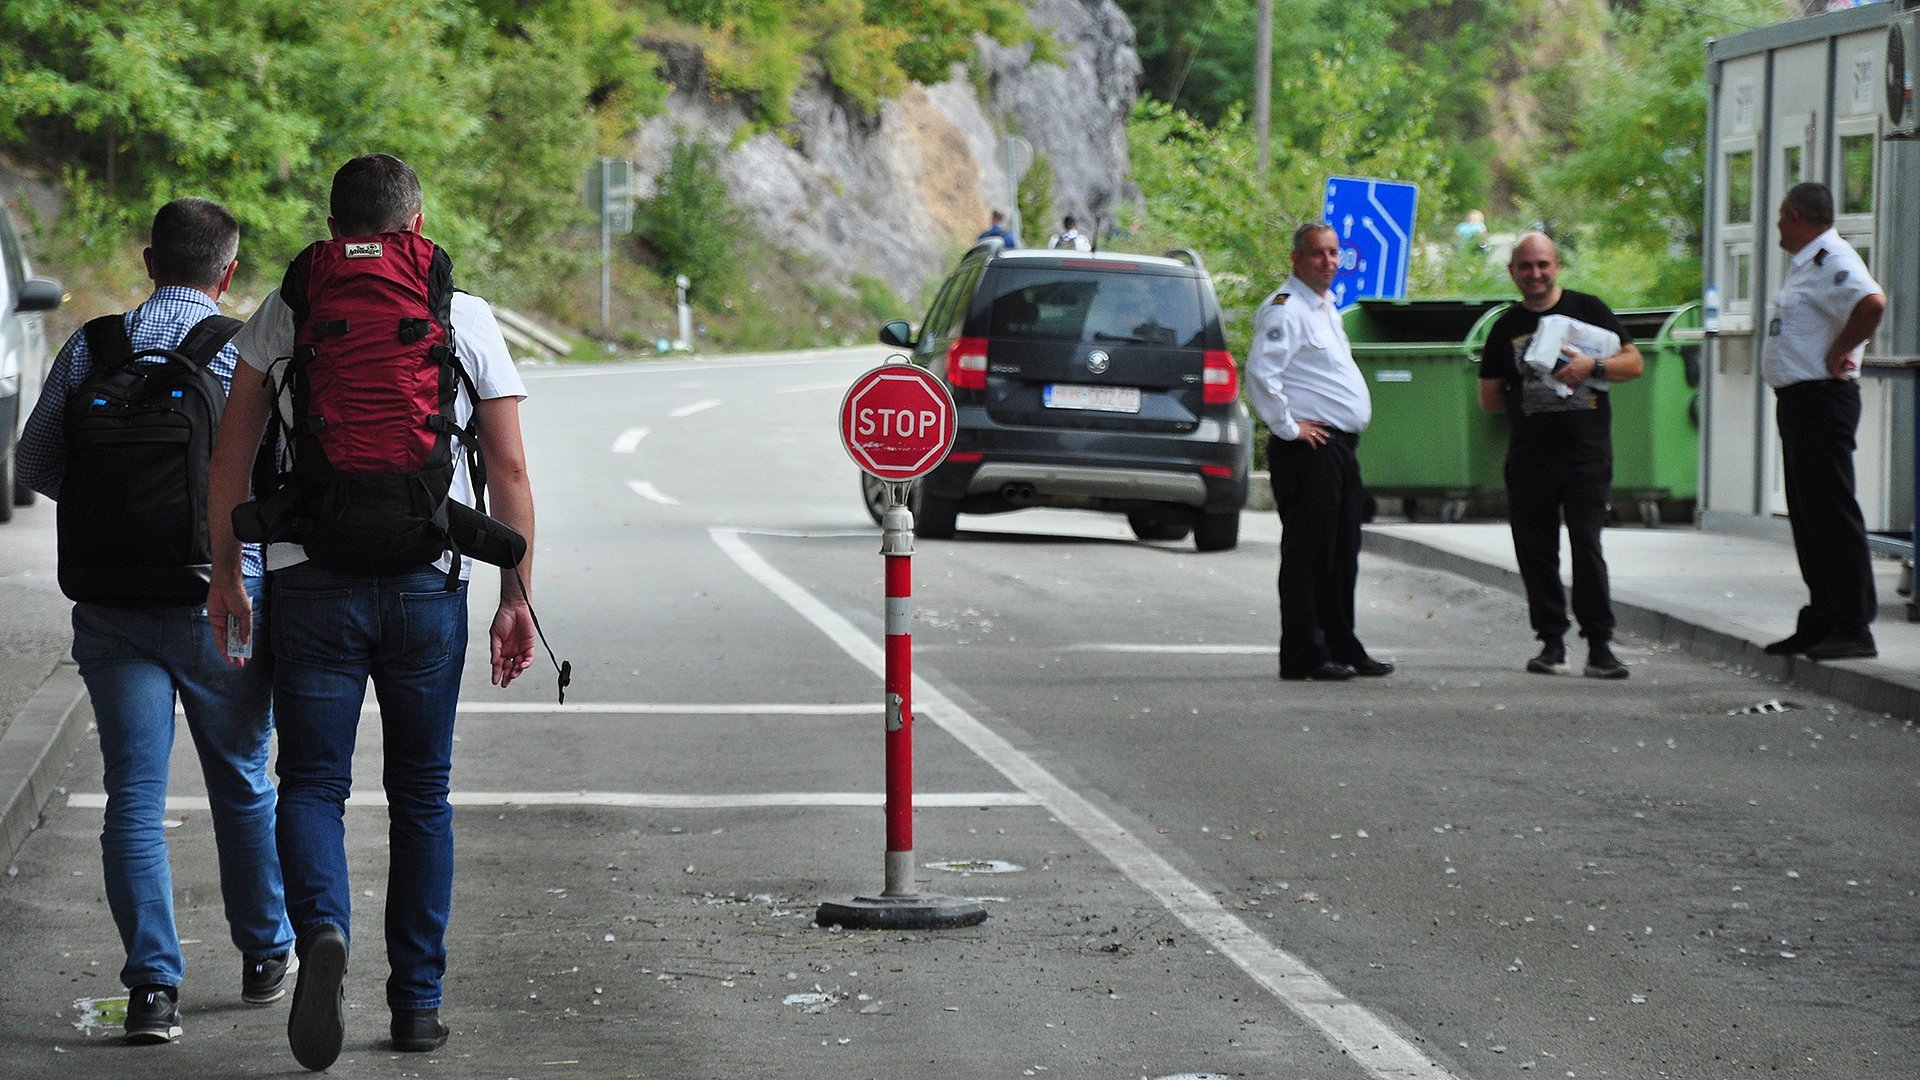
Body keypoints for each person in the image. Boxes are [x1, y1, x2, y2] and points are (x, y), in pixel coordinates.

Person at [205, 153, 539, 1070]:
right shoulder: (457, 311)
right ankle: (417, 1008)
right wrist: (517, 594)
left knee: (311, 783)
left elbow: (229, 456)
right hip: (429, 581)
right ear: (416, 220)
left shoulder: (291, 304)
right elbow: (506, 471)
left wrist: (226, 573)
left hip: (311, 578)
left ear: (332, 220)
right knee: (421, 795)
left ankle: (320, 929)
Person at [16, 197, 296, 1044]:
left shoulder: (92, 345)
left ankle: (153, 993)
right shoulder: (244, 350)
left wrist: (116, 513)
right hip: (222, 600)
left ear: (148, 262)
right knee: (242, 780)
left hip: (111, 607)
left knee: (132, 799)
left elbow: (33, 463)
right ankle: (263, 955)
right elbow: (278, 476)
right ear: (229, 271)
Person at [1477, 233, 1641, 679]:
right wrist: (1529, 388)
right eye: (1526, 266)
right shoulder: (1505, 327)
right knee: (1537, 552)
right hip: (1530, 457)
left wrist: (1593, 367)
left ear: (1557, 266)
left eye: (1543, 265)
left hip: (1587, 454)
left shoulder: (1590, 311)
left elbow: (1635, 363)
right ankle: (1551, 644)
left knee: (1587, 545)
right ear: (1512, 272)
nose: (1535, 274)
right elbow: (1488, 398)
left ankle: (1601, 646)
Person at [1244, 222, 1393, 682]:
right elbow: (1260, 375)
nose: (1328, 262)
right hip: (1311, 449)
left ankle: (1341, 643)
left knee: (1343, 551)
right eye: (1317, 254)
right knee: (1310, 554)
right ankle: (1304, 653)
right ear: (1296, 259)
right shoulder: (1285, 311)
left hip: (1339, 447)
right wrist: (1288, 427)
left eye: (1333, 254)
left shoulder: (1326, 308)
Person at [1760, 182, 1886, 660]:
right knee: (1808, 514)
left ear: (1794, 215)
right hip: (1799, 400)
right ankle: (1823, 618)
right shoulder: (1806, 263)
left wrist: (1841, 349)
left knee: (1831, 512)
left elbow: (1871, 303)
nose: (1777, 226)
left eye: (1779, 216)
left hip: (1823, 398)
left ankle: (1853, 625)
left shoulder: (1832, 258)